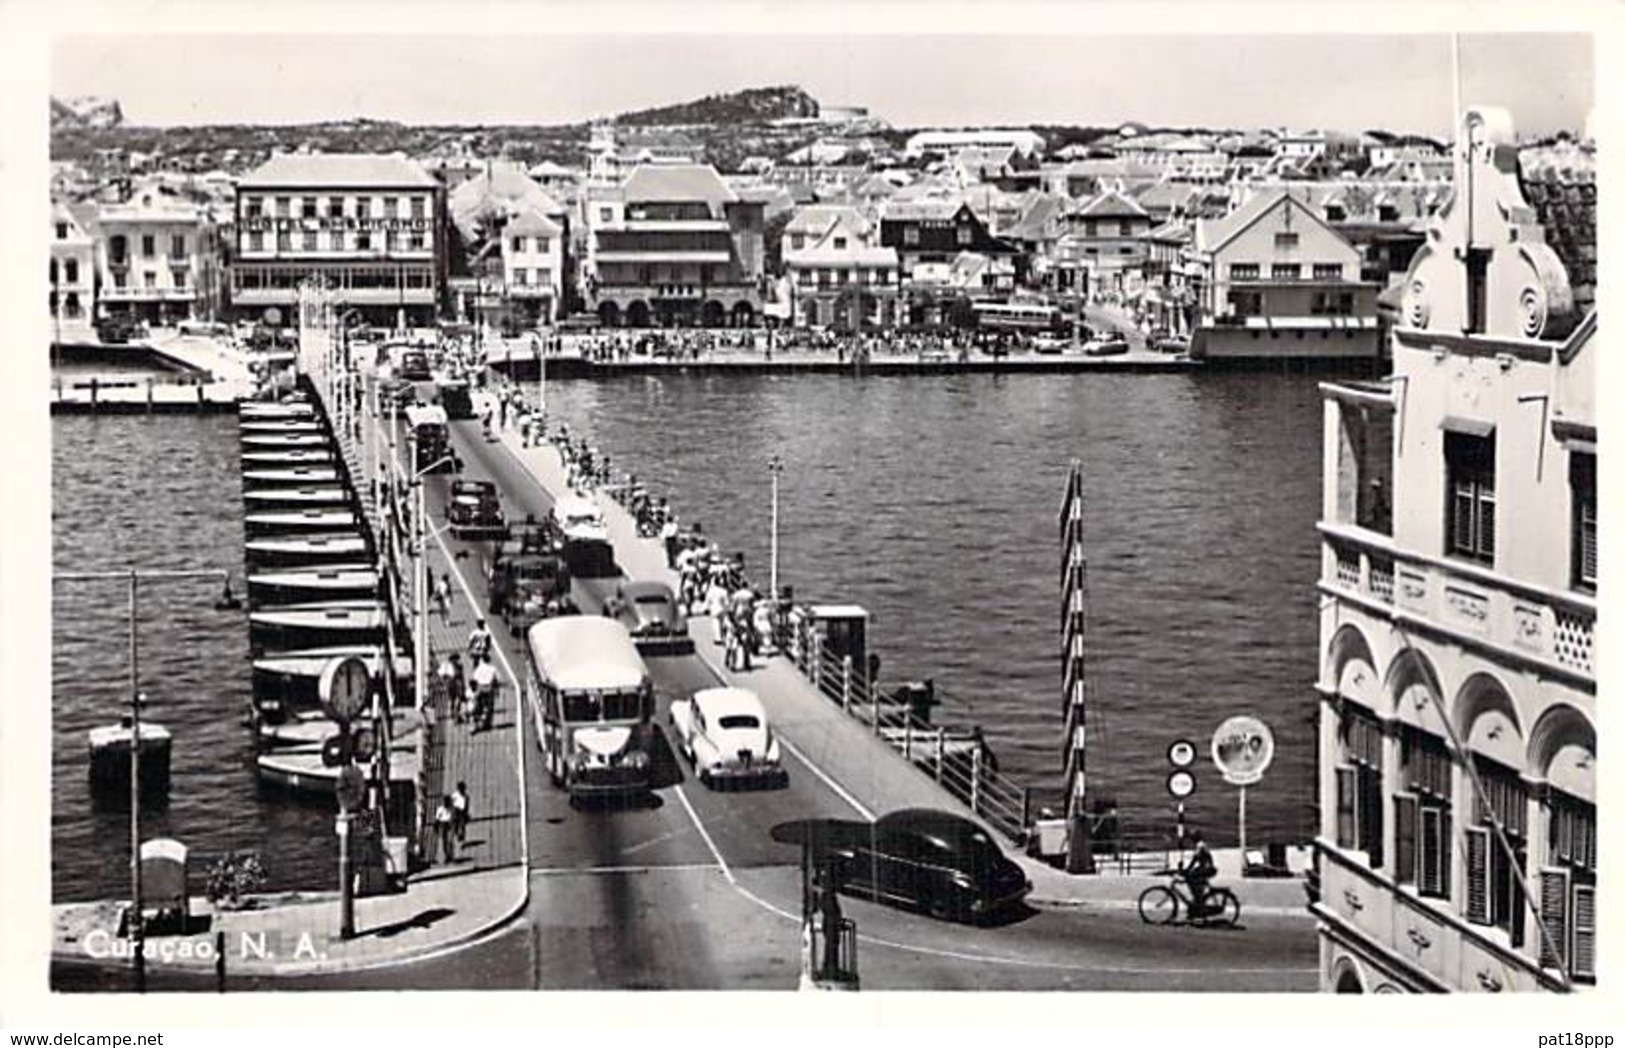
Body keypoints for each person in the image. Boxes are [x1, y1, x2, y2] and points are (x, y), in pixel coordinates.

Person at [1181, 834, 1217, 918]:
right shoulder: (1201, 844)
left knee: (1190, 877)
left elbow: (1195, 859)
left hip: (1206, 869)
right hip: (1205, 867)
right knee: (1193, 878)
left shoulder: (1200, 845)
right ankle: (1196, 903)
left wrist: (1187, 870)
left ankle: (1197, 901)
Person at [470, 654, 499, 732]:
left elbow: (474, 679)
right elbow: (495, 679)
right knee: (489, 707)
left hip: (480, 687)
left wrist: (474, 691)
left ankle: (475, 724)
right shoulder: (493, 668)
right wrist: (496, 690)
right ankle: (487, 724)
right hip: (489, 688)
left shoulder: (478, 668)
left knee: (477, 706)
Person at [434, 795, 457, 863]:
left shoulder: (452, 809)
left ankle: (450, 855)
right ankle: (446, 855)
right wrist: (436, 827)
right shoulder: (440, 809)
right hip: (443, 824)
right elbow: (437, 819)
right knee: (444, 841)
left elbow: (454, 818)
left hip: (449, 824)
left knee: (450, 840)